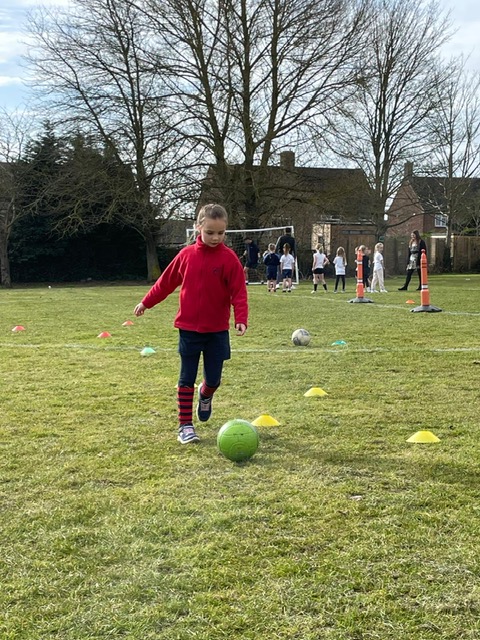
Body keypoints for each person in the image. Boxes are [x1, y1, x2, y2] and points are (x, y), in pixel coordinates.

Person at [133, 203, 248, 445]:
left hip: (217, 331)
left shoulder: (229, 259)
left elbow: (239, 292)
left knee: (214, 379)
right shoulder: (185, 256)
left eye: (220, 233)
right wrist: (146, 303)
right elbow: (164, 284)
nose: (215, 238)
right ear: (198, 228)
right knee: (186, 377)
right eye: (210, 232)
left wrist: (240, 319)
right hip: (188, 329)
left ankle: (205, 395)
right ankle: (185, 425)